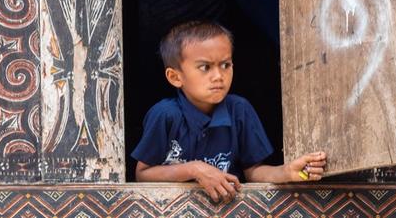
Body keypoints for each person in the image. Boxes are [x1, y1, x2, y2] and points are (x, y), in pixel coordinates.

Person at [133, 20, 327, 202]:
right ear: (175, 77)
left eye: (225, 65)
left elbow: (253, 171)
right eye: (205, 67)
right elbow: (142, 174)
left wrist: (285, 173)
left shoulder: (239, 110)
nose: (218, 76)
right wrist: (195, 170)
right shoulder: (165, 115)